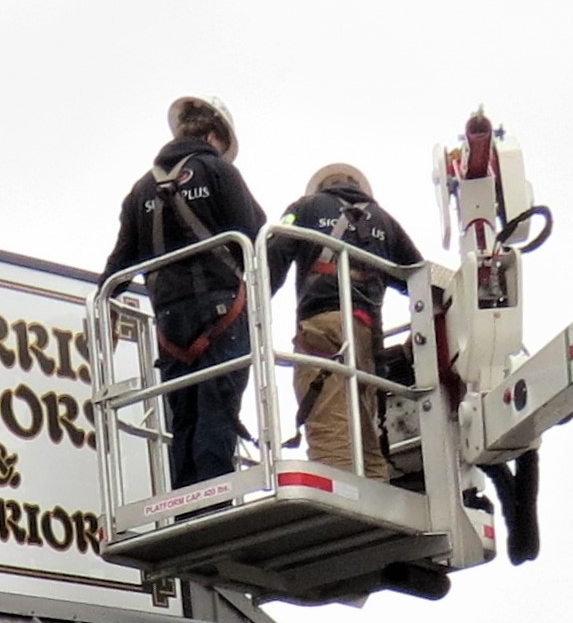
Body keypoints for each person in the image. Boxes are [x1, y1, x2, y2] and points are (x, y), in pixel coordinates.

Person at [102, 95, 267, 489]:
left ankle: (186, 506)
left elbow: (119, 265)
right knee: (216, 410)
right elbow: (256, 235)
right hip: (222, 314)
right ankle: (214, 501)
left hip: (171, 325)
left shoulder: (141, 190)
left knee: (185, 418)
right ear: (214, 136)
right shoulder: (219, 172)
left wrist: (106, 304)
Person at [267, 163, 423, 481]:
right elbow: (419, 277)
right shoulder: (384, 221)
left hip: (323, 328)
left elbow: (272, 260)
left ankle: (343, 510)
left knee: (329, 430)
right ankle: (378, 499)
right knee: (366, 431)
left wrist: (248, 313)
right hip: (366, 335)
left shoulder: (304, 208)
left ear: (321, 186)